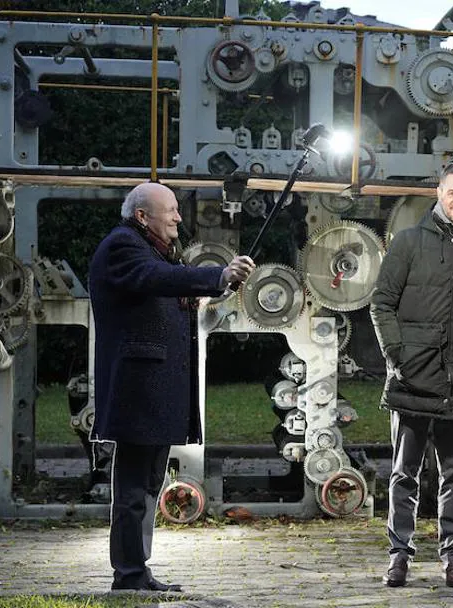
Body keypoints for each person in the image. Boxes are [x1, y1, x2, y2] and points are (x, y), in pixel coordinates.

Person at [89, 182, 254, 592]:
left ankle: (137, 572)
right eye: (172, 211)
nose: (179, 217)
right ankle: (128, 577)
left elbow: (164, 282)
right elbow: (155, 278)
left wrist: (212, 285)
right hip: (138, 391)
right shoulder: (123, 246)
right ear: (143, 216)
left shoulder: (147, 247)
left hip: (152, 391)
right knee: (133, 490)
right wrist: (217, 274)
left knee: (145, 487)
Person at [370, 163, 453, 588]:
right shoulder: (408, 243)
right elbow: (381, 303)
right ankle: (399, 554)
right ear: (438, 194)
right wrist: (396, 355)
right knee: (404, 473)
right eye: (452, 193)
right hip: (412, 375)